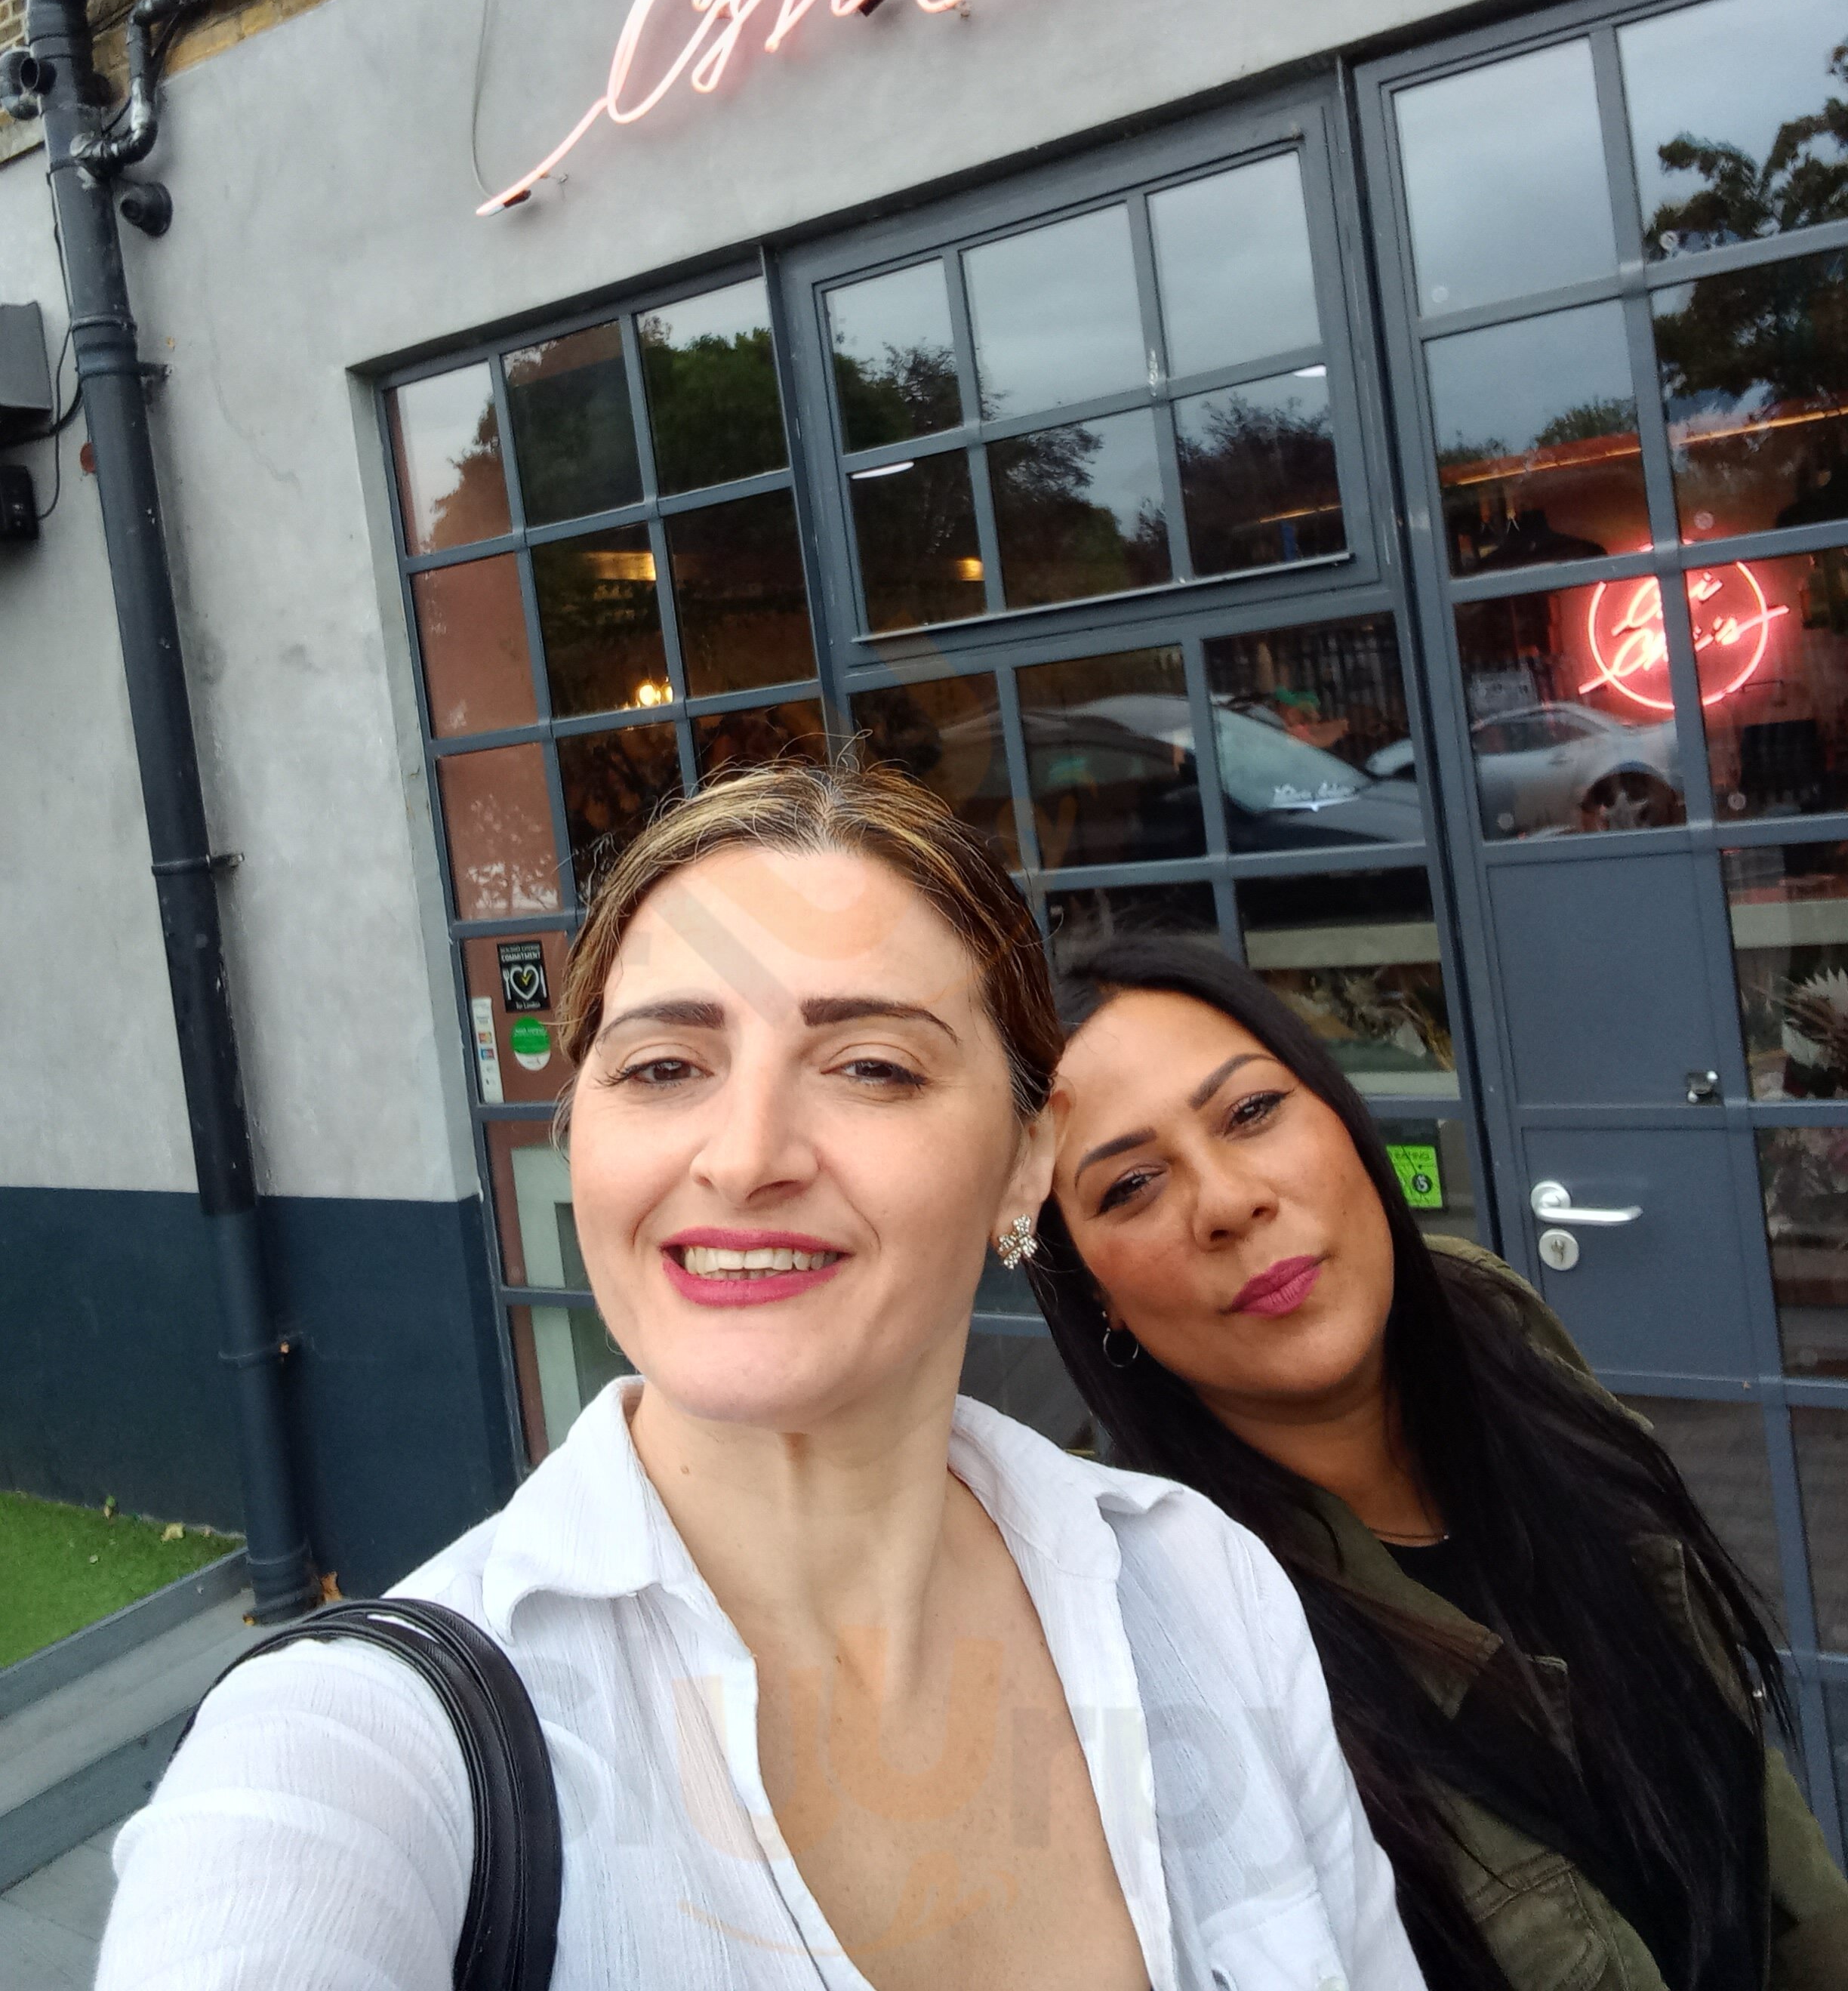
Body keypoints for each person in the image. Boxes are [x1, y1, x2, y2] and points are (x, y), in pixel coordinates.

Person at [97, 766, 1424, 1991]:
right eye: (664, 1067)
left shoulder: (1203, 1584)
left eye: (871, 1067)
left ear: (1028, 1158)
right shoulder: (362, 1744)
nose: (743, 1157)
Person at [1037, 932, 1848, 1991]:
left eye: (1252, 1111)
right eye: (1133, 1184)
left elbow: (1746, 1794)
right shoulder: (1147, 1642)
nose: (1229, 1201)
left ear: (1341, 1115)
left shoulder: (1489, 1324)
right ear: (1094, 1289)